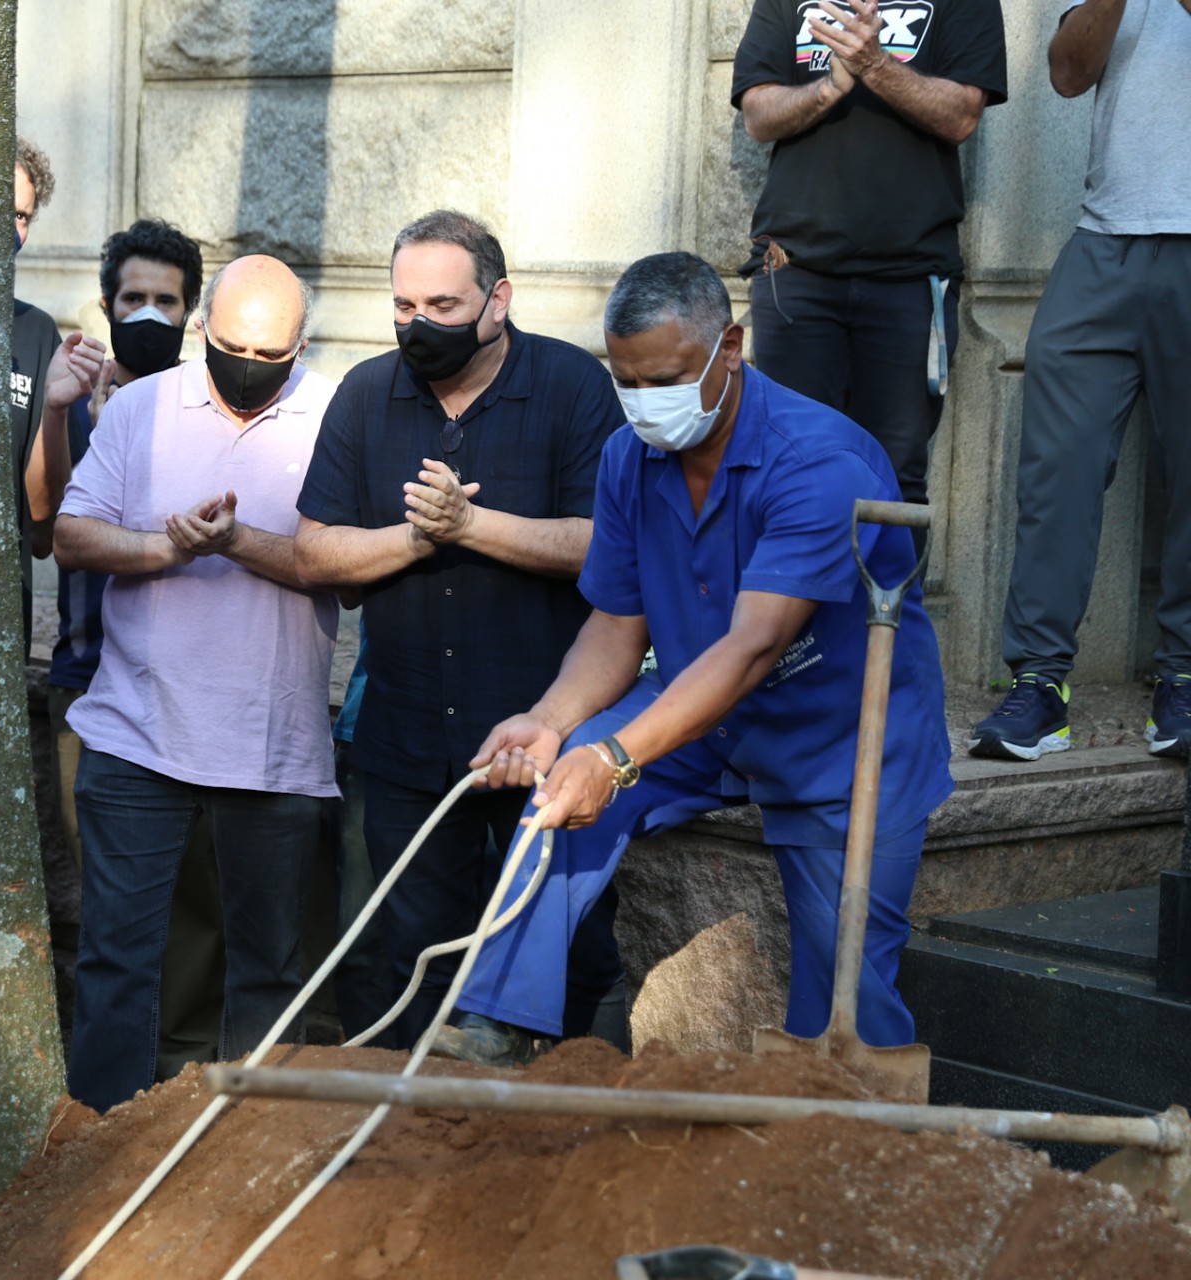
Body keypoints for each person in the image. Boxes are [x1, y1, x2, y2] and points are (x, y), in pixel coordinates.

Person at [427, 252, 952, 1069]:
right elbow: (615, 623)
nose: (644, 404)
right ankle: (500, 1021)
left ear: (731, 348)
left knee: (843, 991)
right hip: (699, 716)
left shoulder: (818, 461)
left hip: (842, 744)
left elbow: (753, 648)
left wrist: (618, 754)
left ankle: (857, 1147)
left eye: (665, 378)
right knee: (558, 780)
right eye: (626, 382)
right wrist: (552, 722)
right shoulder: (626, 459)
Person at [293, 209, 625, 1049]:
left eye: (443, 306)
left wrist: (473, 528)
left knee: (565, 965)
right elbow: (314, 553)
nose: (418, 325)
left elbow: (607, 546)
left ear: (498, 299)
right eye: (404, 307)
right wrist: (415, 538)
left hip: (542, 732)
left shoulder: (571, 386)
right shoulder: (367, 393)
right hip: (405, 738)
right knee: (397, 966)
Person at [55, 255, 338, 1112]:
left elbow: (350, 570)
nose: (250, 363)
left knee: (267, 976)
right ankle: (95, 1157)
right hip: (137, 734)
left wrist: (235, 542)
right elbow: (71, 534)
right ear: (205, 329)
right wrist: (166, 549)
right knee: (116, 965)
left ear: (301, 346)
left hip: (275, 747)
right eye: (234, 345)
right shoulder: (143, 406)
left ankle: (245, 1164)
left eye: (270, 351)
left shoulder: (336, 412)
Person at [971, 0, 1191, 761]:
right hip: (1104, 241)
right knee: (1056, 468)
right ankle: (1039, 684)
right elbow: (1067, 74)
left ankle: (1185, 674)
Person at [47, 218, 220, 1079]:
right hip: (90, 687)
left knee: (191, 913)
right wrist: (58, 415)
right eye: (132, 299)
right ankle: (107, 1099)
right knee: (110, 912)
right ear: (106, 305)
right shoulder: (74, 397)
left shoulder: (209, 406)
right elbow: (49, 527)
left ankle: (178, 1082)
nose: (147, 313)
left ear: (192, 315)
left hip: (196, 693)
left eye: (166, 300)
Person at [733, 0, 1007, 507]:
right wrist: (833, 86)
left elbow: (962, 115)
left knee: (892, 478)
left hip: (911, 281)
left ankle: (885, 593)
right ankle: (792, 590)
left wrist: (875, 66)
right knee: (788, 470)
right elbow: (758, 114)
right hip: (797, 277)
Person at [10, 133, 105, 645]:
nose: (12, 228)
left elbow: (43, 533)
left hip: (1, 614)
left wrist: (53, 410)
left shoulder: (37, 332)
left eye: (23, 216)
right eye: (0, 208)